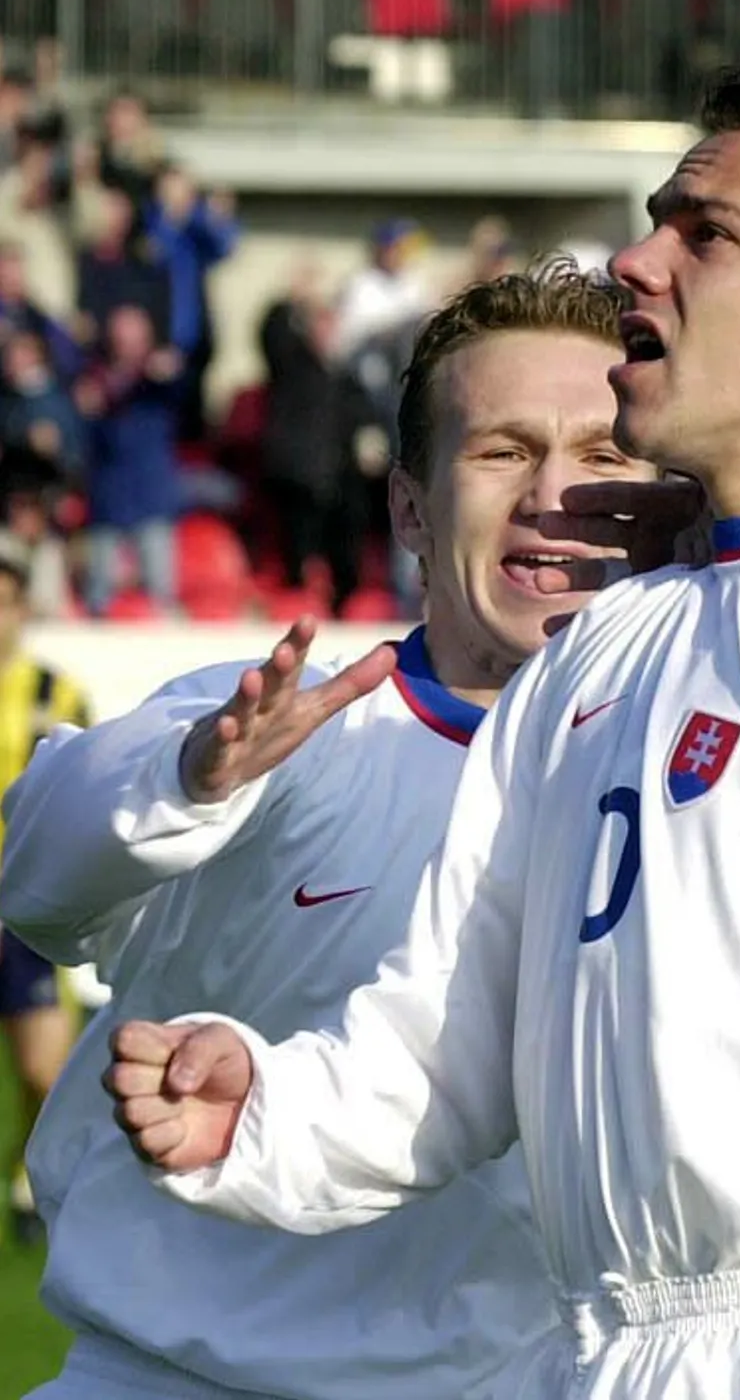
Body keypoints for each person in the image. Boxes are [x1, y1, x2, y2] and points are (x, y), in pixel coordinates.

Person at [104, 57, 740, 1400]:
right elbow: (452, 1036)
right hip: (596, 1356)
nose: (634, 261)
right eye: (653, 219)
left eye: (708, 233)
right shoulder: (615, 634)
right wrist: (270, 1114)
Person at [0, 262, 690, 1400]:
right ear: (412, 510)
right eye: (502, 450)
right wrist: (191, 776)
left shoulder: (708, 775)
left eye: (604, 456)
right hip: (173, 1379)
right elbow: (42, 881)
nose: (552, 494)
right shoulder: (282, 725)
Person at [0, 529, 89, 1247]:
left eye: (6, 603)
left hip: (21, 914)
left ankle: (26, 1182)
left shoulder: (59, 695)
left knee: (42, 1071)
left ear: (24, 609)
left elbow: (80, 801)